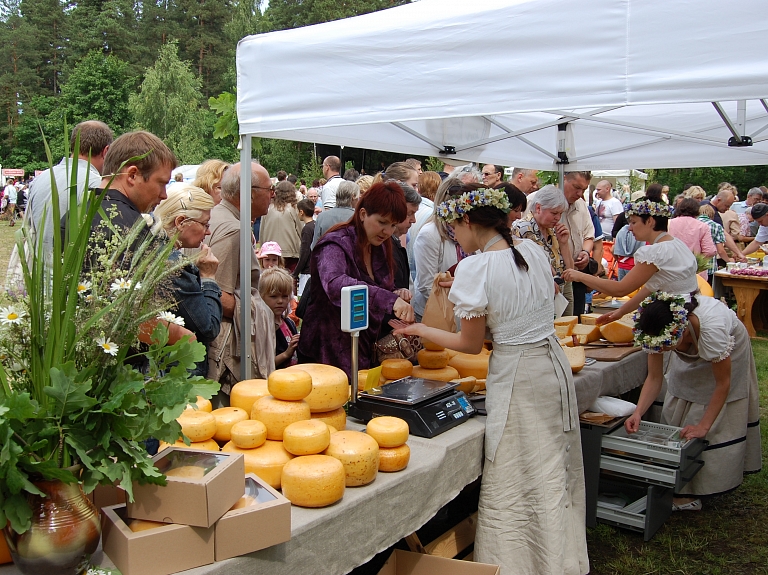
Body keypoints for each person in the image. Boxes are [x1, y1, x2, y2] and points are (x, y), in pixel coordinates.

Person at [394, 183, 588, 575]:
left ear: (467, 220)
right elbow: (533, 308)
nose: (456, 239)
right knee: (551, 465)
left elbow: (469, 344)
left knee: (519, 470)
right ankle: (559, 559)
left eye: (455, 230)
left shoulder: (476, 266)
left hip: (519, 374)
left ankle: (522, 564)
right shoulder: (531, 249)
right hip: (552, 364)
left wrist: (420, 331)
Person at [626, 292, 761, 510]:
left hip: (726, 350)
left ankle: (693, 492)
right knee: (681, 387)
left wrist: (703, 426)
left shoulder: (713, 330)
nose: (662, 349)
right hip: (691, 339)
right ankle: (673, 477)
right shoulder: (656, 326)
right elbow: (654, 377)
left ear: (680, 331)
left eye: (666, 345)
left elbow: (722, 384)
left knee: (705, 411)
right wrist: (638, 412)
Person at [297, 181, 414, 378]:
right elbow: (335, 284)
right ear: (362, 214)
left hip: (364, 350)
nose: (387, 231)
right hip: (325, 352)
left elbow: (376, 286)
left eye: (393, 225)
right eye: (382, 222)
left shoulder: (381, 245)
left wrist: (395, 293)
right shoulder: (335, 243)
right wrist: (388, 300)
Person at [563, 198, 698, 324]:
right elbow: (649, 288)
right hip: (691, 312)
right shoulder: (676, 244)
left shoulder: (657, 252)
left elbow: (620, 289)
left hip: (677, 317)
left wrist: (579, 276)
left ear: (650, 221)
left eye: (633, 222)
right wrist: (620, 312)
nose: (629, 228)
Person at [205, 161, 276, 402]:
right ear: (250, 193)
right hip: (226, 348)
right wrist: (255, 309)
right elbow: (215, 294)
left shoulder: (219, 217)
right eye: (269, 190)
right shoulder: (233, 229)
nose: (273, 195)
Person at [19, 120, 113, 272]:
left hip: (38, 278)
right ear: (106, 151)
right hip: (70, 279)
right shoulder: (97, 184)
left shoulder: (42, 178)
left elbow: (29, 229)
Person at [152, 185, 223, 376]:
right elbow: (208, 327)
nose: (207, 232)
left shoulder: (150, 252)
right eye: (205, 224)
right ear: (181, 222)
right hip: (177, 372)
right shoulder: (175, 267)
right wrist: (208, 278)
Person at [412, 177, 466, 320]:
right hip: (436, 315)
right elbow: (426, 285)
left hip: (460, 312)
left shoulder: (468, 233)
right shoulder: (430, 234)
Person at [512, 184, 574, 286]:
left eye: (560, 214)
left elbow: (570, 270)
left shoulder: (554, 230)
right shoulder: (521, 229)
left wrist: (564, 244)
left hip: (562, 289)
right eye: (554, 213)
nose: (558, 218)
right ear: (538, 208)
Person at [561, 171, 595, 316]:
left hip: (577, 276)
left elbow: (589, 236)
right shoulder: (538, 200)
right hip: (556, 279)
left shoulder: (581, 205)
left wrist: (585, 253)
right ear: (563, 179)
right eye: (576, 187)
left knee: (576, 319)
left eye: (584, 190)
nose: (580, 193)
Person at [259, 267, 300, 369]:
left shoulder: (288, 322)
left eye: (285, 296)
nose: (280, 301)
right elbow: (263, 365)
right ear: (261, 297)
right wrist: (286, 354)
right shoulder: (263, 327)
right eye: (274, 296)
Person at [259, 180, 303, 272]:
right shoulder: (294, 209)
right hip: (290, 251)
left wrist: (263, 248)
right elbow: (301, 230)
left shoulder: (268, 209)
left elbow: (262, 231)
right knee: (289, 280)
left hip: (270, 251)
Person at [668, 197, 717, 274]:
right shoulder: (702, 226)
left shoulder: (669, 223)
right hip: (695, 270)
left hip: (671, 269)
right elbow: (710, 251)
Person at [311, 180, 360, 249]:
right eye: (358, 198)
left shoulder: (322, 217)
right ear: (353, 197)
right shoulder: (359, 217)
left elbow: (314, 247)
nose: (358, 200)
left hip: (326, 257)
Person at [698, 204, 733, 280]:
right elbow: (720, 250)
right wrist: (729, 261)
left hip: (695, 266)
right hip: (709, 266)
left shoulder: (692, 224)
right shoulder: (716, 226)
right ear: (712, 215)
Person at [292, 198, 316, 297]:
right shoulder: (315, 225)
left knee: (303, 299)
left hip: (307, 271)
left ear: (301, 212)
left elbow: (305, 252)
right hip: (314, 268)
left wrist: (295, 273)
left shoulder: (307, 229)